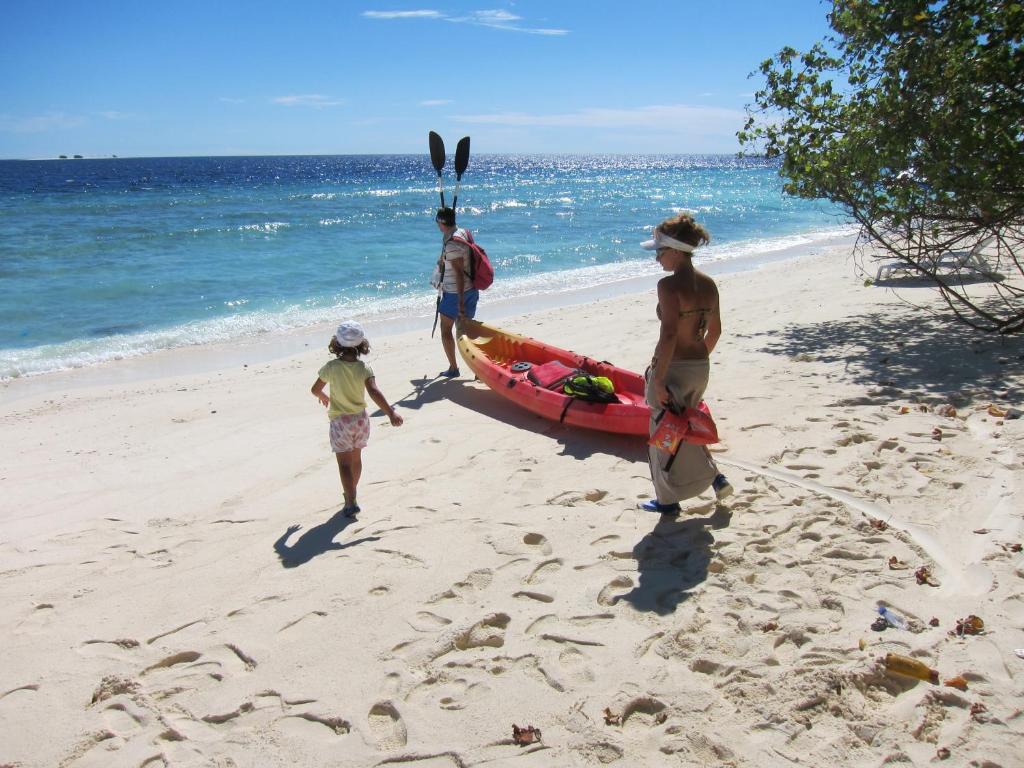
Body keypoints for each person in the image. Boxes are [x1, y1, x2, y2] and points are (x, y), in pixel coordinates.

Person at [640, 213, 733, 514]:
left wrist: (659, 378)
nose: (657, 259)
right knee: (686, 424)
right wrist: (697, 358)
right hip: (699, 367)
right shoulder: (708, 284)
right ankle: (716, 477)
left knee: (664, 435)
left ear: (676, 251)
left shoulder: (668, 286)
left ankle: (668, 501)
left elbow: (668, 335)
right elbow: (716, 330)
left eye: (659, 251)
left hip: (673, 368)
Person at [311, 321, 403, 516]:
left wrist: (324, 397)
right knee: (356, 459)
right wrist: (391, 412)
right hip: (361, 421)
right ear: (362, 344)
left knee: (343, 464)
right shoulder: (364, 368)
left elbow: (315, 389)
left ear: (336, 343)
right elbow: (374, 392)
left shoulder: (331, 367)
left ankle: (350, 500)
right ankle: (352, 493)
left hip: (340, 422)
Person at [431, 206, 480, 377]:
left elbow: (459, 273)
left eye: (437, 221)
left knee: (446, 331)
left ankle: (453, 368)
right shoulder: (463, 233)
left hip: (456, 293)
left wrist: (459, 301)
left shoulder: (452, 243)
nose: (437, 225)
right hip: (472, 289)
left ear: (442, 222)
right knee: (465, 330)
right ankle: (479, 369)